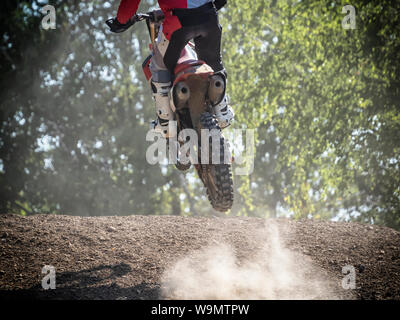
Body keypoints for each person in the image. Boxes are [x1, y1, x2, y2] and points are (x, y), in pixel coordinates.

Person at [107, 0, 234, 138]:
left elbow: (129, 5)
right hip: (209, 17)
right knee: (214, 62)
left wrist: (120, 21)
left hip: (179, 22)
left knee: (157, 65)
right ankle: (222, 112)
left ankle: (166, 122)